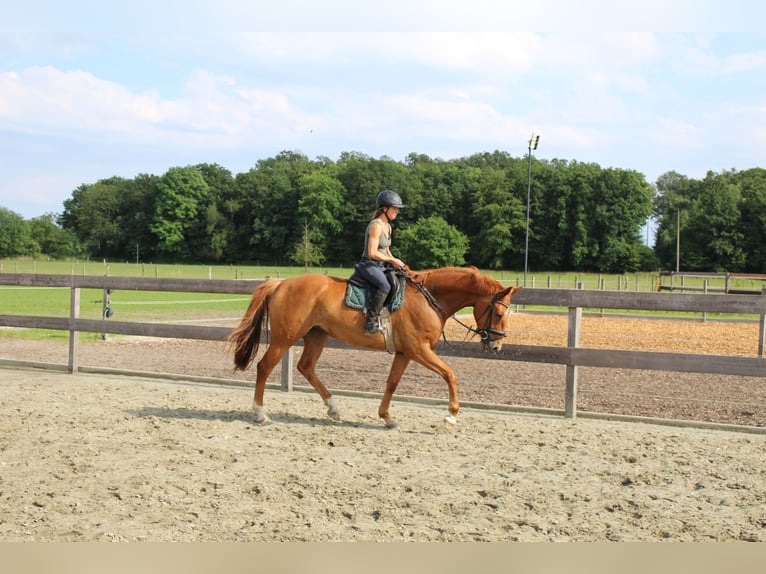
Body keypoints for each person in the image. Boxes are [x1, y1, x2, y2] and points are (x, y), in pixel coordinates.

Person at [354, 189, 407, 335]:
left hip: (380, 265)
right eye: (394, 208)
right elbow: (372, 252)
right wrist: (391, 260)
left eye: (397, 209)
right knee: (384, 285)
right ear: (384, 208)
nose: (397, 211)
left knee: (398, 281)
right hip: (368, 264)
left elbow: (386, 249)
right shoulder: (376, 225)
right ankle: (370, 322)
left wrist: (396, 261)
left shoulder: (388, 226)